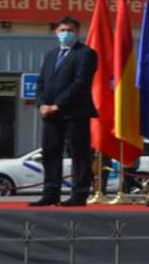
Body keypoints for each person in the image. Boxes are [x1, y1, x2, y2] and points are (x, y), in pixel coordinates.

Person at [30, 16, 98, 206]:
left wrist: (58, 105)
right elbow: (42, 82)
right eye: (62, 30)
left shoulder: (86, 54)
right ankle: (50, 193)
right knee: (51, 152)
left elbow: (80, 83)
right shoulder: (51, 55)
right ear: (56, 32)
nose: (65, 34)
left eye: (69, 30)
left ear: (77, 32)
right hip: (50, 114)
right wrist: (42, 103)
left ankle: (79, 193)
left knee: (78, 153)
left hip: (74, 113)